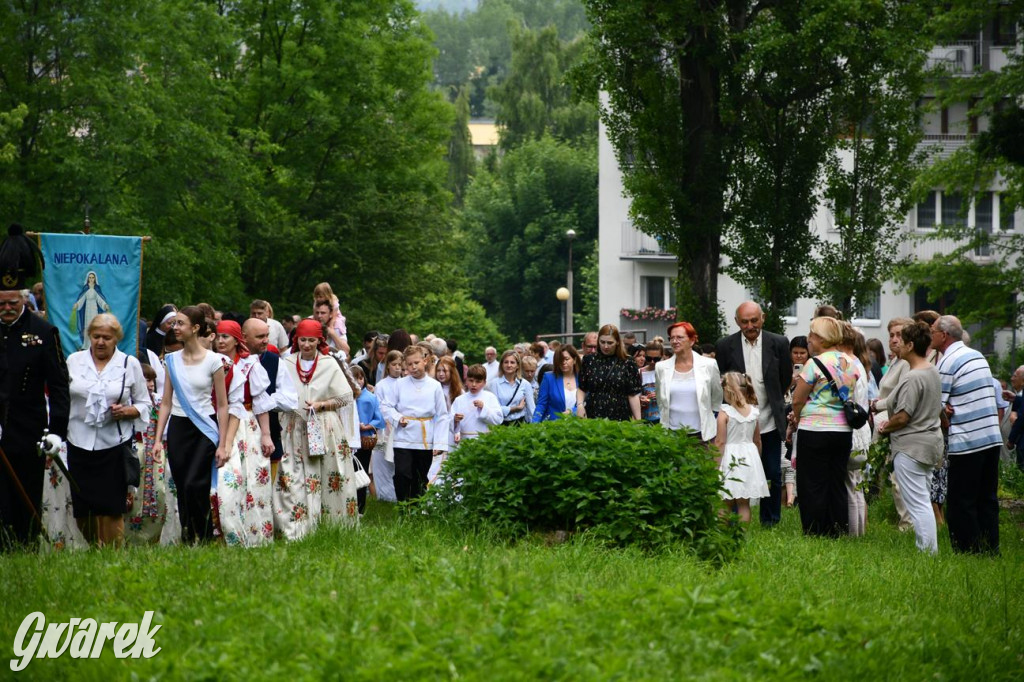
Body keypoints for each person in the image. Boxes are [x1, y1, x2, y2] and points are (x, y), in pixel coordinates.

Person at [0, 225, 71, 549]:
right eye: (1, 302)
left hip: (27, 431)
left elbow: (58, 386)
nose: (7, 308)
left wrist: (57, 430)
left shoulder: (43, 332)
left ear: (24, 298)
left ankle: (25, 547)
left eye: (13, 301)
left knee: (24, 494)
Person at [65, 314, 150, 546]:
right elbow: (61, 398)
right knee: (83, 509)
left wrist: (128, 411)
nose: (101, 342)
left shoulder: (128, 364)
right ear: (89, 337)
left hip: (115, 443)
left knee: (112, 506)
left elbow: (145, 404)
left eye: (107, 337)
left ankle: (112, 556)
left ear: (116, 339)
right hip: (77, 441)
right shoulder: (73, 361)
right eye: (96, 337)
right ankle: (95, 549)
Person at [274, 319, 358, 540]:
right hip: (294, 425)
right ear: (296, 340)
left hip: (324, 425)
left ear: (319, 341)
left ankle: (333, 525)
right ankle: (296, 527)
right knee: (293, 476)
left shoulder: (329, 363)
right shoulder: (288, 362)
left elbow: (345, 396)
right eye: (303, 340)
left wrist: (322, 405)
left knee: (330, 472)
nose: (307, 345)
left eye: (312, 340)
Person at [152, 307, 230, 544]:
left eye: (180, 324)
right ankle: (189, 536)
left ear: (195, 328)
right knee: (182, 485)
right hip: (178, 428)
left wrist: (223, 444)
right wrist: (157, 440)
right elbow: (165, 402)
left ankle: (204, 535)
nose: (175, 328)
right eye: (174, 323)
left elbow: (223, 405)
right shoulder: (171, 360)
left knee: (196, 484)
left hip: (203, 429)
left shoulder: (214, 361)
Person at [716, 301, 792, 527]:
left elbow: (785, 377)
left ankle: (770, 520)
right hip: (738, 422)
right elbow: (722, 379)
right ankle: (732, 520)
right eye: (745, 321)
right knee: (734, 473)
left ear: (763, 318)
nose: (750, 325)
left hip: (767, 418)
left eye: (754, 320)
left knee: (772, 472)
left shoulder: (778, 342)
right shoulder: (725, 345)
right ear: (737, 322)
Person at [931, 315, 1002, 554]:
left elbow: (935, 406)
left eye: (932, 331)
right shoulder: (977, 355)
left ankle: (967, 549)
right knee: (987, 498)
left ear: (944, 335)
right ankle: (990, 547)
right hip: (991, 437)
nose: (930, 335)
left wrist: (945, 411)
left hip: (967, 440)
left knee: (962, 500)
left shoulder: (947, 363)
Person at [877, 321, 944, 554]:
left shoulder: (913, 377)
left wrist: (885, 427)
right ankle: (930, 550)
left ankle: (927, 553)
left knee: (917, 504)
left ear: (911, 345)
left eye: (902, 341)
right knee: (923, 499)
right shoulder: (932, 370)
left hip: (911, 446)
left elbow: (903, 416)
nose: (898, 345)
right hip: (930, 443)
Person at [788, 316, 858, 537]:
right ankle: (837, 528)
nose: (809, 340)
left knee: (812, 482)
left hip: (815, 428)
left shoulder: (814, 363)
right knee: (836, 481)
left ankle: (815, 529)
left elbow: (798, 399)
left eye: (811, 335)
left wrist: (796, 418)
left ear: (821, 338)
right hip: (842, 430)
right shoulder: (849, 362)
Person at [213, 320, 277, 546]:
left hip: (245, 425)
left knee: (251, 480)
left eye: (225, 336)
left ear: (237, 339)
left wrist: (266, 434)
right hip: (216, 422)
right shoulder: (209, 361)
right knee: (225, 480)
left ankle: (254, 535)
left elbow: (261, 402)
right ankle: (221, 532)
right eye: (217, 336)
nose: (220, 341)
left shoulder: (250, 364)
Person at [380, 344, 450, 503]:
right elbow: (386, 406)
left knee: (420, 475)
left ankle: (417, 508)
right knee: (402, 473)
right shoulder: (400, 384)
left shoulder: (434, 386)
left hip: (424, 439)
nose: (413, 367)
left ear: (425, 361)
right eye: (409, 364)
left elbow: (442, 415)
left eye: (416, 363)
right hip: (403, 437)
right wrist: (398, 418)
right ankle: (403, 506)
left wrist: (440, 443)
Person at [870, 317, 914, 530]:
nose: (894, 340)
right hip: (885, 420)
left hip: (897, 422)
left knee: (899, 477)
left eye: (899, 335)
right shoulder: (894, 362)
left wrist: (876, 405)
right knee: (893, 476)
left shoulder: (907, 363)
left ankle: (908, 524)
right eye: (891, 335)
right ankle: (904, 521)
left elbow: (900, 396)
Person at [714, 372, 769, 524]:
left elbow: (720, 441)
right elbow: (757, 440)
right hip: (749, 456)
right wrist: (756, 458)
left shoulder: (724, 412)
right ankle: (742, 534)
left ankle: (723, 533)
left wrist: (715, 464)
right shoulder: (754, 412)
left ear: (727, 390)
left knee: (725, 500)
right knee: (743, 503)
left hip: (729, 456)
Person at [655, 321, 722, 440]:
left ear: (692, 340)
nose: (675, 341)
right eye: (672, 338)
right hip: (671, 435)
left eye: (680, 337)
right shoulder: (661, 367)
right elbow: (661, 400)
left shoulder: (709, 365)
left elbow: (716, 398)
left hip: (702, 435)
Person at [578, 324, 641, 421]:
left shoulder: (628, 362)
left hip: (620, 415)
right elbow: (582, 387)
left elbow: (632, 394)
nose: (605, 346)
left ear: (617, 342)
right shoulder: (588, 360)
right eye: (602, 342)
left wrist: (638, 420)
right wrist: (580, 405)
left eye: (610, 343)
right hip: (593, 414)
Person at [370, 350, 405, 503]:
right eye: (394, 364)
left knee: (398, 463)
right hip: (385, 429)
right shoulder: (381, 385)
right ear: (388, 366)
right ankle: (385, 496)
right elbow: (379, 407)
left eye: (399, 364)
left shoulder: (406, 383)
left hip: (402, 427)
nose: (397, 368)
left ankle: (399, 495)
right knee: (382, 462)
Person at [350, 366, 384, 515]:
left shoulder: (370, 398)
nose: (358, 381)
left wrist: (368, 426)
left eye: (361, 378)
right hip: (349, 440)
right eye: (354, 378)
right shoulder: (346, 398)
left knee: (361, 472)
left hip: (364, 441)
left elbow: (379, 419)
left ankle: (360, 508)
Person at [452, 365, 504, 443]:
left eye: (478, 381)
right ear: (466, 381)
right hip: (465, 441)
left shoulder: (490, 397)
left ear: (484, 383)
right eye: (471, 380)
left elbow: (498, 419)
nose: (474, 384)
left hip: (485, 440)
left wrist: (484, 408)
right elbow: (450, 420)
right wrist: (455, 420)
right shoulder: (459, 400)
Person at [533, 344, 581, 422]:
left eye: (566, 359)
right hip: (554, 426)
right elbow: (541, 405)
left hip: (578, 424)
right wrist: (533, 425)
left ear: (574, 360)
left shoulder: (582, 378)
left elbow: (586, 402)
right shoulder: (548, 378)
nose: (563, 362)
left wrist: (572, 411)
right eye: (560, 359)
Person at [486, 350, 534, 425]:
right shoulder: (494, 384)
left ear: (518, 365)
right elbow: (494, 409)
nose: (509, 365)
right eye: (506, 362)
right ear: (501, 364)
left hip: (520, 424)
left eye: (512, 362)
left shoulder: (525, 384)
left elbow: (531, 409)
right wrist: (516, 408)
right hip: (500, 425)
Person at [69, 271, 112, 350]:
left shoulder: (97, 289)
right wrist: (77, 305)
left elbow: (99, 299)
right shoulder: (86, 288)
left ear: (95, 279)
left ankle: (94, 343)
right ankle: (86, 345)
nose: (91, 279)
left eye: (93, 278)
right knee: (87, 326)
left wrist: (105, 305)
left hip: (94, 310)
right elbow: (82, 299)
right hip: (87, 310)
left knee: (94, 326)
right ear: (88, 279)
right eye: (90, 277)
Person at [639, 339, 663, 424]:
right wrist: (640, 399)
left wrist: (660, 396)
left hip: (664, 419)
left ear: (662, 356)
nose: (652, 362)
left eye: (656, 359)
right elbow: (634, 394)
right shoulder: (640, 372)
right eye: (649, 358)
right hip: (645, 418)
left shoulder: (667, 372)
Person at [1006, 365, 1024, 470]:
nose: (1012, 378)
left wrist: (1011, 440)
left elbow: (1021, 418)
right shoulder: (1019, 397)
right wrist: (1016, 398)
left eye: (1015, 376)